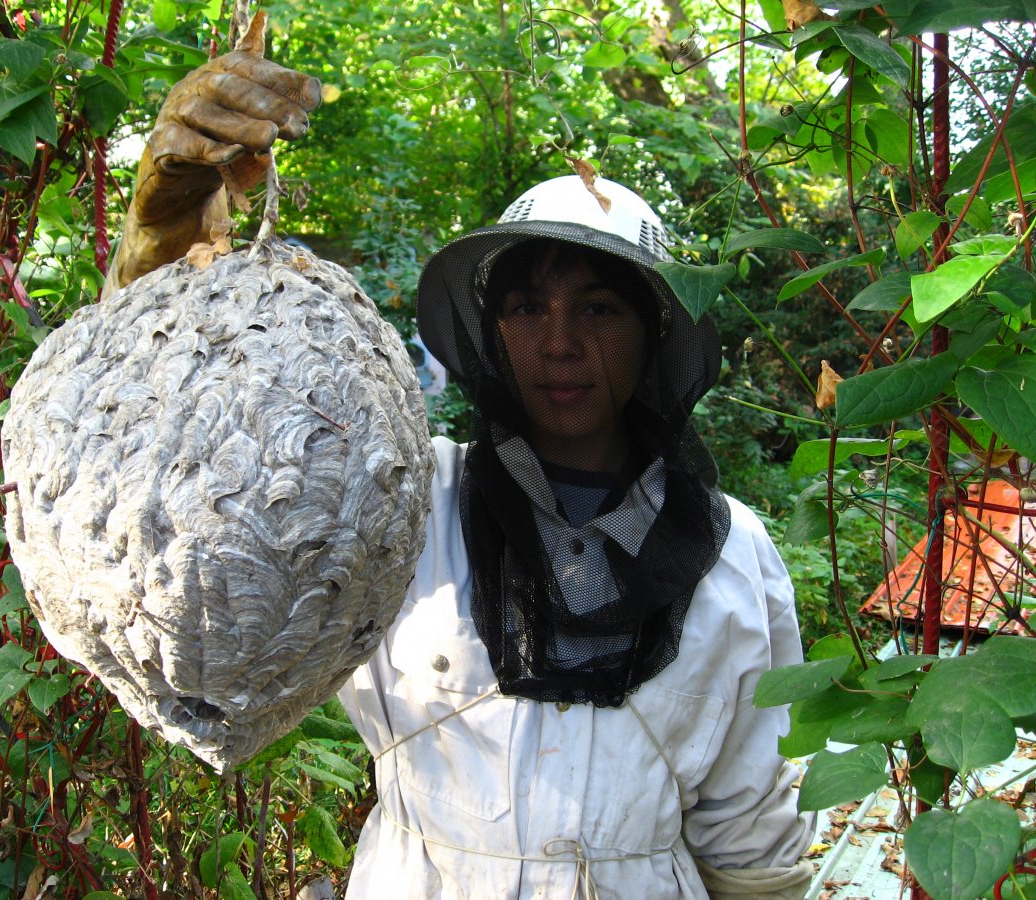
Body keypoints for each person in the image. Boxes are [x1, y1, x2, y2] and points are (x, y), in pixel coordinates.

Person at [109, 45, 816, 900]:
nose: (560, 342)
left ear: (656, 333)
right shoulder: (401, 499)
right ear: (492, 332)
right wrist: (158, 250)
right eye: (527, 307)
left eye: (598, 308)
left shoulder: (735, 552)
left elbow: (754, 842)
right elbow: (191, 489)